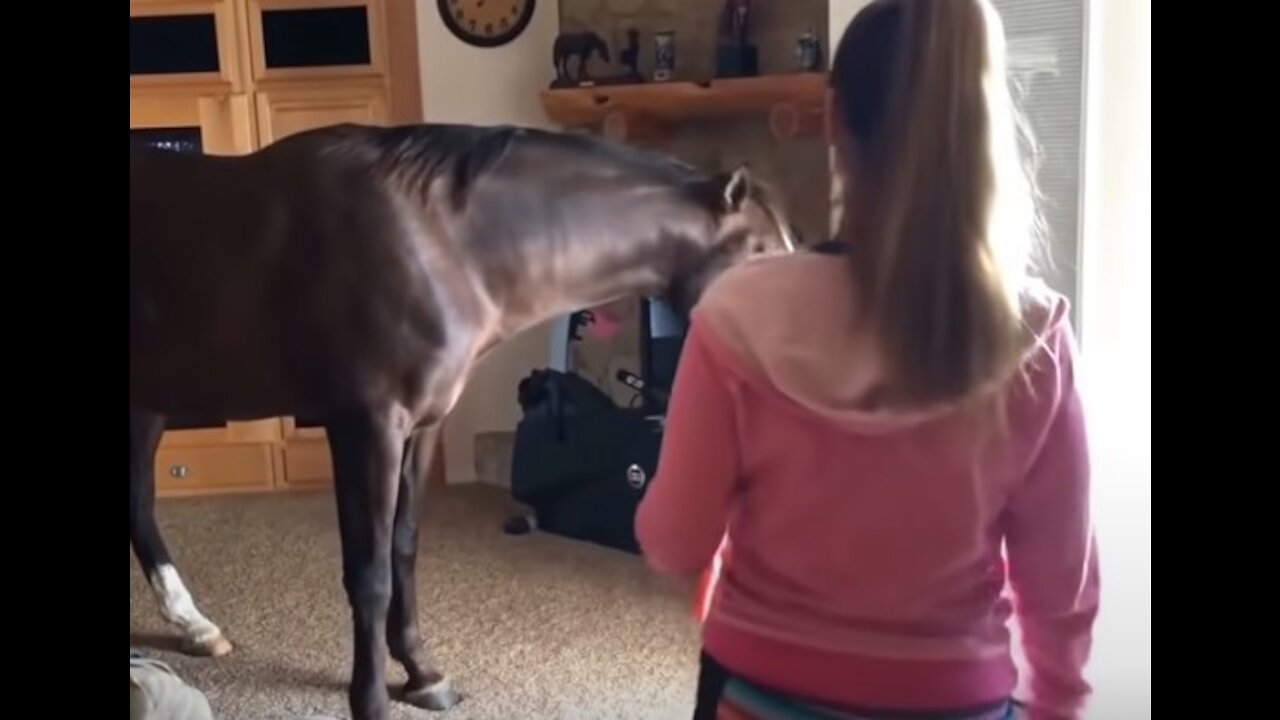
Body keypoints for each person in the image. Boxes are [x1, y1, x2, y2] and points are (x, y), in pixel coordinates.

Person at [633, 1, 1099, 719]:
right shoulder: (1034, 335)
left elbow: (673, 544)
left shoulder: (739, 314)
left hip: (757, 696)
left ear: (831, 121)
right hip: (957, 700)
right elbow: (1060, 589)